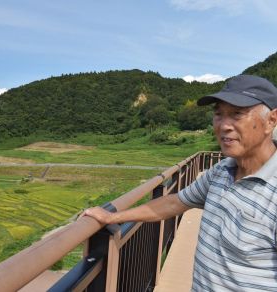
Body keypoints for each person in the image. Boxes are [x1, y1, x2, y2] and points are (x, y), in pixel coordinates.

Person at [81, 74, 277, 291]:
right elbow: (175, 202)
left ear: (271, 121)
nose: (224, 126)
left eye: (237, 114)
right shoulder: (222, 170)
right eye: (219, 114)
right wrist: (113, 217)